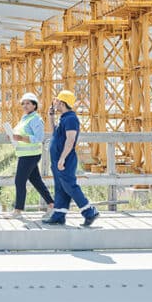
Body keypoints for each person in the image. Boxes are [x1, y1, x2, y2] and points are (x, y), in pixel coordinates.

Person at [42, 90, 99, 227]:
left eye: (56, 101)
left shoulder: (71, 119)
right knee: (60, 187)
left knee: (69, 186)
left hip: (65, 159)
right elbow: (57, 134)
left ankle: (89, 211)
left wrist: (62, 159)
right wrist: (51, 117)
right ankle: (59, 215)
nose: (54, 103)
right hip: (58, 159)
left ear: (62, 103)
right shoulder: (64, 118)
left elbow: (70, 140)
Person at [5, 92, 54, 219]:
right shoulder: (25, 118)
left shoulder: (36, 119)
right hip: (25, 154)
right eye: (23, 103)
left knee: (19, 181)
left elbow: (39, 138)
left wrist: (19, 137)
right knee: (36, 181)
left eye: (28, 103)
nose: (25, 106)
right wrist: (12, 135)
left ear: (34, 105)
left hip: (30, 155)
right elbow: (19, 133)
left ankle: (18, 210)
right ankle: (52, 205)